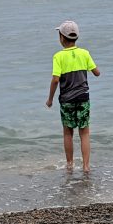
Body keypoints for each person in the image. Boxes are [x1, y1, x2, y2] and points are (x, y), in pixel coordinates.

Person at [46, 20, 100, 172]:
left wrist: (50, 99)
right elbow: (97, 72)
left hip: (67, 100)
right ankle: (86, 166)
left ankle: (69, 165)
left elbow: (55, 79)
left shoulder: (58, 56)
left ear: (61, 38)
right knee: (84, 132)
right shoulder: (84, 53)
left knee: (68, 133)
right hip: (83, 97)